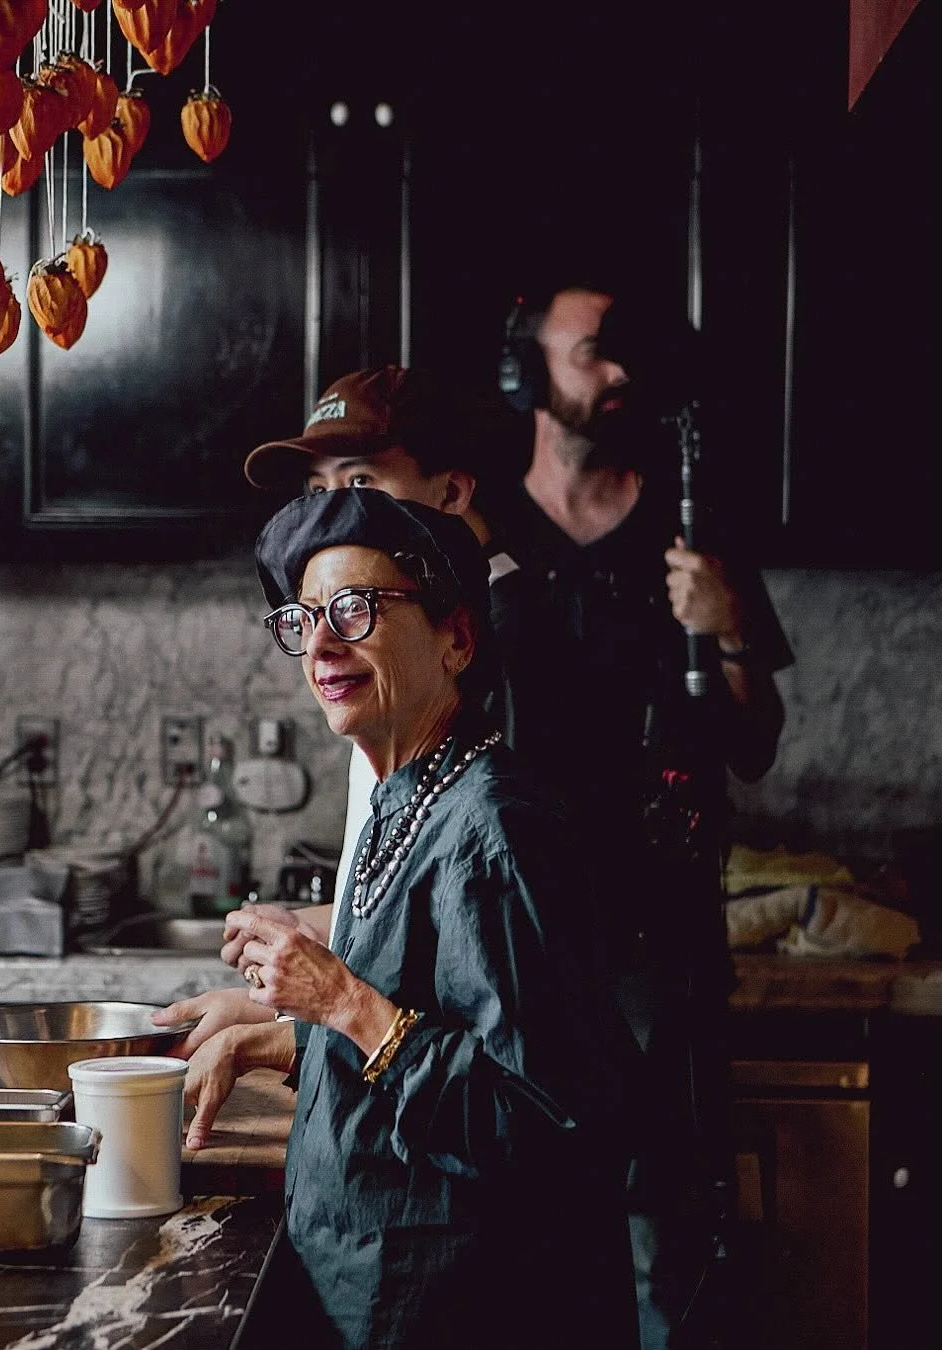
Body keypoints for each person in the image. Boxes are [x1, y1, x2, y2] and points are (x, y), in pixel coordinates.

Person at [176, 487, 642, 1348]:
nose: (319, 643)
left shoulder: (496, 829)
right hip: (367, 1291)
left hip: (463, 1308)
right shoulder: (405, 799)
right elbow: (424, 1028)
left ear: (455, 637)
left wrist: (340, 999)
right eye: (304, 618)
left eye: (354, 610)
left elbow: (545, 1126)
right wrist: (269, 1032)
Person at [490, 275, 794, 1348]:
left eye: (626, 357)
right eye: (592, 353)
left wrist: (732, 621)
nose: (618, 375)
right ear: (527, 372)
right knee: (526, 1234)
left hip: (661, 940)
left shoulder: (690, 526)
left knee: (668, 1233)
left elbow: (754, 741)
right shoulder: (479, 528)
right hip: (517, 941)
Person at [154, 365, 514, 1141]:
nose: (333, 511)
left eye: (361, 480)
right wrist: (289, 976)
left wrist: (291, 1024)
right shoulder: (380, 682)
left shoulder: (501, 676)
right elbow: (423, 920)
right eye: (318, 489)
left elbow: (507, 1046)